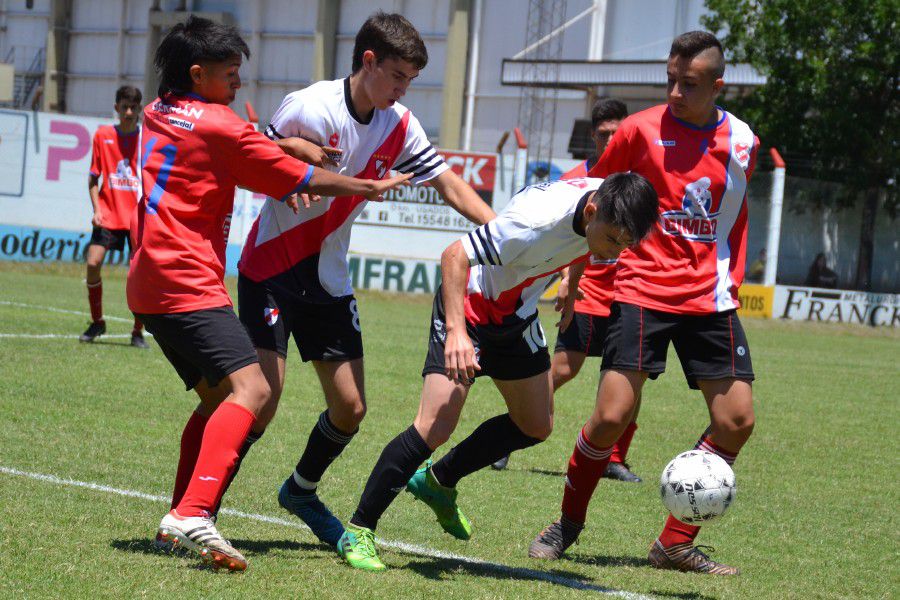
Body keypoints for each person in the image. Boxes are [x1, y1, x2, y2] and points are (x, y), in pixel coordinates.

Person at [132, 16, 410, 572]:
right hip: (187, 278)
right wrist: (367, 184)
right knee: (254, 390)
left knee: (218, 400)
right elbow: (302, 180)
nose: (239, 85)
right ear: (197, 73)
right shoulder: (222, 126)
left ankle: (177, 515)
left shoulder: (155, 111)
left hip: (147, 281)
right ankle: (194, 513)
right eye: (230, 75)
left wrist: (282, 144)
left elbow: (243, 142)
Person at [235, 11, 495, 547]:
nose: (402, 90)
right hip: (271, 269)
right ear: (368, 61)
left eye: (411, 81)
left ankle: (301, 490)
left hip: (328, 277)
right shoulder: (310, 105)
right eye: (397, 76)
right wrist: (295, 159)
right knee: (261, 398)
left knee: (351, 410)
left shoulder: (400, 124)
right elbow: (254, 153)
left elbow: (448, 183)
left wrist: (505, 234)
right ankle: (200, 511)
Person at [337, 172, 659, 572]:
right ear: (592, 211)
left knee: (535, 424)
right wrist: (456, 333)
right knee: (435, 425)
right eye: (613, 240)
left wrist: (571, 285)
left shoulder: (604, 206)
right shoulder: (532, 224)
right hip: (469, 307)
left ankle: (437, 481)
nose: (616, 252)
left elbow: (584, 246)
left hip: (516, 316)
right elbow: (454, 255)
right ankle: (359, 528)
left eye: (626, 244)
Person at [529, 31, 759, 576]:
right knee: (610, 417)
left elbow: (738, 217)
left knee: (736, 421)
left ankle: (674, 543)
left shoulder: (743, 141)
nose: (676, 92)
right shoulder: (638, 130)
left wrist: (729, 273)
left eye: (690, 84)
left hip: (710, 296)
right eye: (671, 81)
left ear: (718, 85)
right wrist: (535, 229)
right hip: (641, 287)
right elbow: (588, 188)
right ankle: (567, 524)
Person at [493, 98, 642, 484]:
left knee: (628, 375)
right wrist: (569, 283)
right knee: (564, 368)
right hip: (590, 291)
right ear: (593, 136)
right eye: (604, 133)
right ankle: (512, 432)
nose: (611, 140)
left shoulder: (637, 184)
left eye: (617, 133)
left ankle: (615, 458)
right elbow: (569, 235)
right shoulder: (578, 178)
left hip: (630, 293)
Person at [79, 85, 147, 348]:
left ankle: (137, 332)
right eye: (124, 107)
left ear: (140, 110)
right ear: (116, 107)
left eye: (133, 108)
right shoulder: (103, 135)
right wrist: (96, 209)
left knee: (139, 276)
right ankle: (97, 322)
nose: (128, 113)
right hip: (108, 214)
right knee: (93, 263)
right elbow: (93, 179)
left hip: (137, 218)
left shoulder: (146, 140)